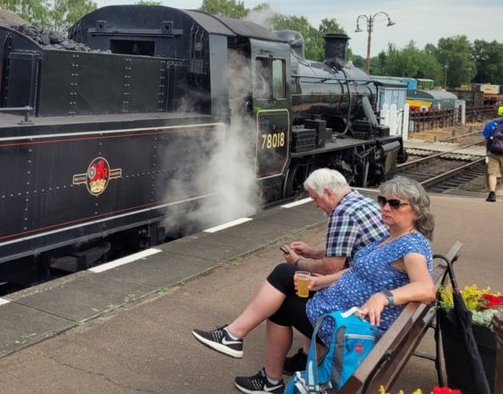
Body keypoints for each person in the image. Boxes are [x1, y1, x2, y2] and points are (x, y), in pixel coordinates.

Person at [193, 176, 434, 394]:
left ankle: (259, 367)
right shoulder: (391, 236)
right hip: (340, 310)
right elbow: (355, 270)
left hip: (350, 328)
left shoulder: (410, 246)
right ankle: (240, 343)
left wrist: (384, 297)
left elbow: (425, 289)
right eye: (382, 200)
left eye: (394, 204)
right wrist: (321, 282)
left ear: (416, 212)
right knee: (285, 281)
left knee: (281, 294)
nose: (384, 207)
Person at [192, 168, 387, 372]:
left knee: (284, 275)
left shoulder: (342, 212)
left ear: (329, 193)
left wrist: (297, 262)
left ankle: (234, 336)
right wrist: (312, 252)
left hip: (360, 307)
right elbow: (346, 249)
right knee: (298, 285)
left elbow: (332, 266)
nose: (315, 205)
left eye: (315, 199)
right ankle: (298, 356)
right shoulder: (361, 202)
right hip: (367, 292)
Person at [481, 105, 503, 202]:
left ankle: (492, 194)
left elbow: (486, 138)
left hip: (493, 152)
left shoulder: (491, 124)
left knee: (492, 173)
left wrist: (488, 150)